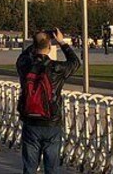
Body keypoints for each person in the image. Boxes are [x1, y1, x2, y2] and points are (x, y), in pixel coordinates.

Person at [16, 28, 80, 174]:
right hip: (51, 121)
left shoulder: (25, 66)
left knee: (30, 167)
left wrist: (38, 40)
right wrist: (62, 42)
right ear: (50, 47)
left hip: (30, 120)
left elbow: (22, 57)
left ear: (34, 46)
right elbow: (75, 63)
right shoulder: (56, 68)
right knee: (52, 167)